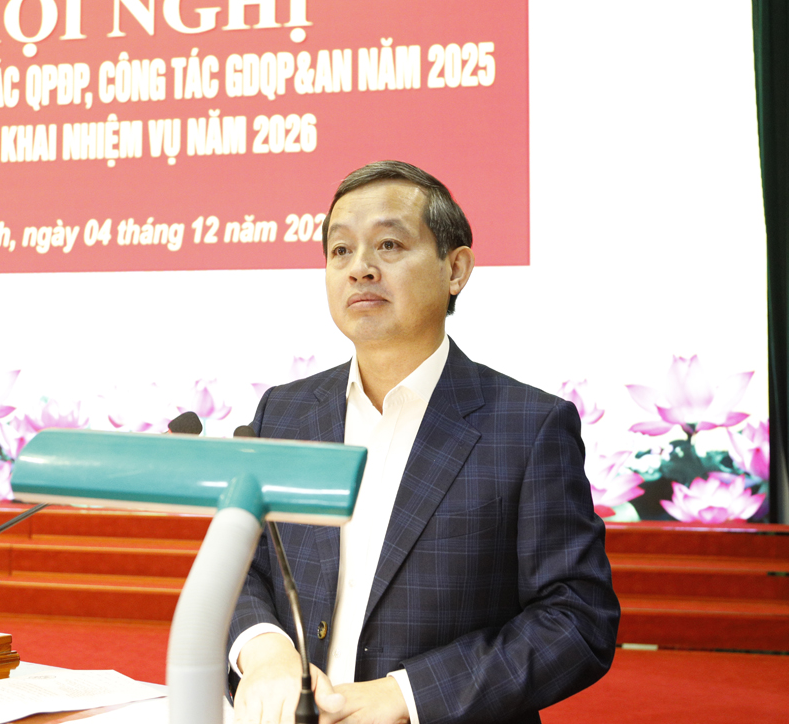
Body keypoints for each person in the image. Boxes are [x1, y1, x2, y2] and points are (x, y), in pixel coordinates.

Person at [228, 161, 619, 724]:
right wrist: (266, 653)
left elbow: (576, 619)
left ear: (455, 269)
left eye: (388, 244)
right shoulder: (284, 413)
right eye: (340, 250)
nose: (360, 268)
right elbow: (240, 566)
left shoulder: (529, 426)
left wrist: (404, 697)